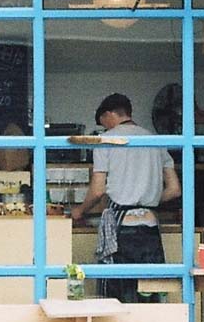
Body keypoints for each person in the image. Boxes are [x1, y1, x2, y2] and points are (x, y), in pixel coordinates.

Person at [71, 93, 180, 304]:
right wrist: (148, 199)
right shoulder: (156, 141)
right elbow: (174, 189)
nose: (104, 128)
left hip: (122, 228)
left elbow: (98, 190)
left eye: (103, 123)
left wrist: (80, 210)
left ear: (109, 114)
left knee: (117, 296)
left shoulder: (106, 141)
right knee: (150, 292)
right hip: (150, 226)